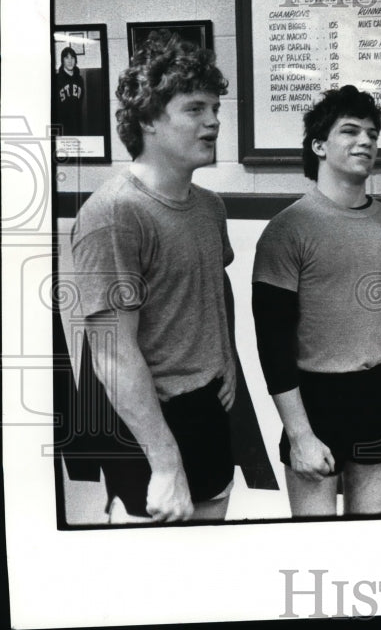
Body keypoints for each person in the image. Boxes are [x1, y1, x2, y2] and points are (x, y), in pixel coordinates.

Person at [70, 31, 235, 523]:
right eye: (195, 109)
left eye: (215, 109)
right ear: (148, 119)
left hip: (208, 410)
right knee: (154, 585)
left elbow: (213, 286)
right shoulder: (115, 215)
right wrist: (165, 465)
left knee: (211, 576)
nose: (213, 122)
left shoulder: (209, 206)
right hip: (145, 425)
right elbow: (110, 352)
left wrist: (225, 357)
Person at [252, 86, 381, 517]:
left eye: (372, 133)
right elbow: (273, 341)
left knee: (367, 538)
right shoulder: (287, 229)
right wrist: (299, 434)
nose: (365, 141)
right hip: (314, 398)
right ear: (318, 145)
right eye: (350, 131)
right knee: (316, 544)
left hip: (376, 394)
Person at [55, 46, 86, 136]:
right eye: (66, 57)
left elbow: (80, 102)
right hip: (61, 125)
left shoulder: (80, 79)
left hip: (77, 124)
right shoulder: (57, 79)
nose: (70, 61)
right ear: (62, 60)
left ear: (75, 60)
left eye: (72, 57)